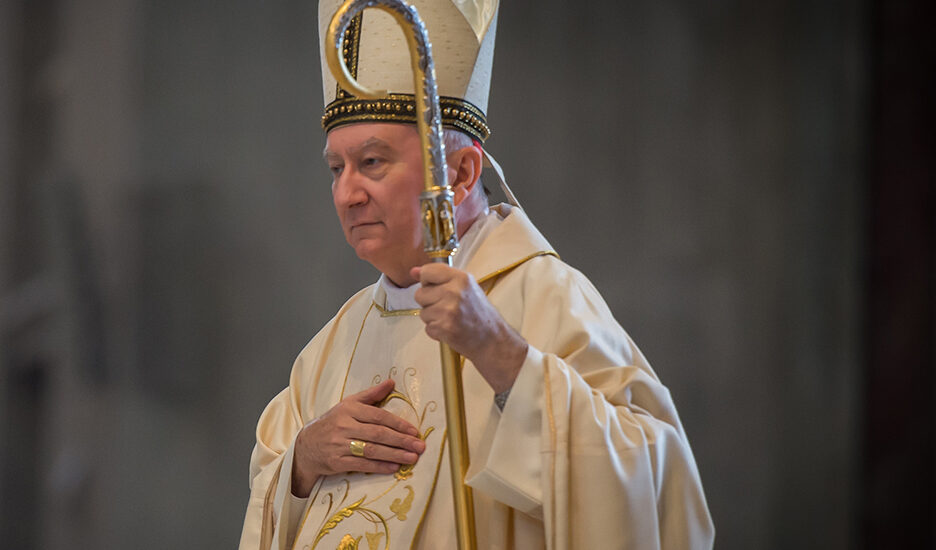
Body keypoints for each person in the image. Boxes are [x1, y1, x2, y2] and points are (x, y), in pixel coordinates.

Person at [239, 1, 714, 548]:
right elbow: (271, 482)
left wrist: (503, 356)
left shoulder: (545, 299)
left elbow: (658, 484)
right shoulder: (332, 345)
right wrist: (301, 461)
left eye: (372, 162)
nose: (347, 193)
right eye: (335, 168)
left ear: (462, 173)